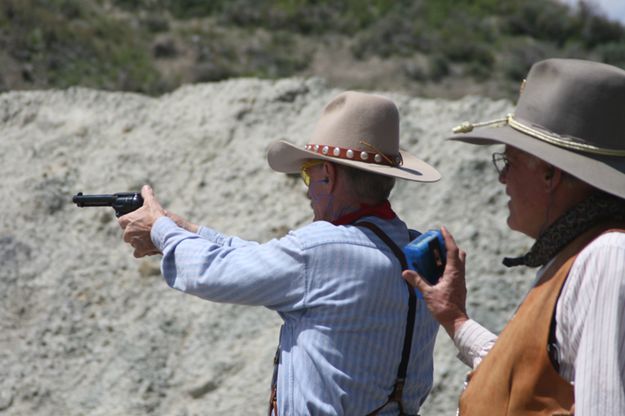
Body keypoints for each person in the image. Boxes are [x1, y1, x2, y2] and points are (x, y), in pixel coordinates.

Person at [118, 91, 442, 415]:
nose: (308, 191)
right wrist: (186, 230)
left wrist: (159, 228)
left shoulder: (322, 249)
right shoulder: (413, 250)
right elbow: (262, 259)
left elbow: (214, 273)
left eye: (308, 174)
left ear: (329, 174)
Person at [403, 58, 625, 416]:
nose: (502, 178)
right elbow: (529, 381)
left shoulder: (607, 256)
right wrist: (455, 318)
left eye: (509, 162)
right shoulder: (579, 251)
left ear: (551, 174)